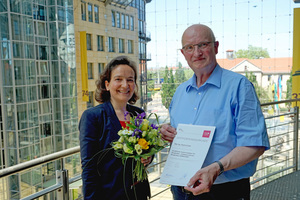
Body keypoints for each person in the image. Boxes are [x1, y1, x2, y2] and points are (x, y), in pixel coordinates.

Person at [160, 24, 270, 200]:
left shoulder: (239, 87)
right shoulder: (180, 92)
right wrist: (167, 132)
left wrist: (216, 168)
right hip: (181, 189)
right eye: (190, 47)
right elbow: (180, 138)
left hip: (224, 191)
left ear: (215, 47)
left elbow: (255, 144)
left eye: (203, 45)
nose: (197, 53)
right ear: (183, 53)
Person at [79, 56, 152, 200]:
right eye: (118, 79)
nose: (125, 85)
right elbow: (89, 168)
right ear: (107, 85)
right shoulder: (93, 117)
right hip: (109, 195)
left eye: (130, 80)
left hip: (138, 194)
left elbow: (147, 148)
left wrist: (149, 157)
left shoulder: (138, 114)